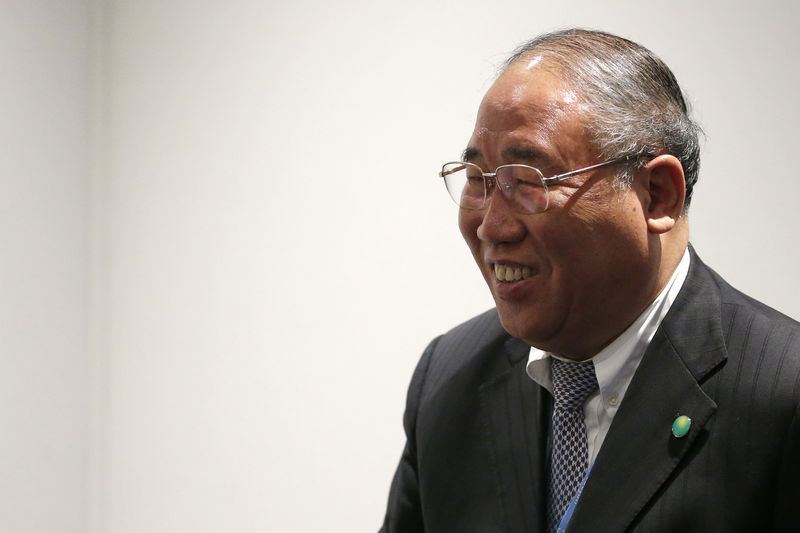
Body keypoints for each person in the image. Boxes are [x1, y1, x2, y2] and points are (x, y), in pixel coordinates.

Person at [379, 29, 800, 533]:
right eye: (478, 181)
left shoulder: (782, 398)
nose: (492, 227)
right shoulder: (449, 378)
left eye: (528, 182)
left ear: (657, 195)